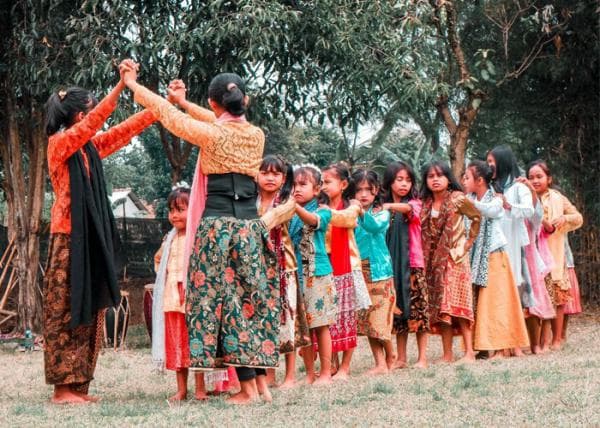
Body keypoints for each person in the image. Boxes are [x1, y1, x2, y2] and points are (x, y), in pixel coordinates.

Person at [122, 65, 279, 404]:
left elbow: (168, 116)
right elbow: (216, 120)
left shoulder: (212, 135)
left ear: (213, 101)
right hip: (250, 229)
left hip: (217, 230)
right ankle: (259, 385)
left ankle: (249, 390)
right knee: (250, 301)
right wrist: (185, 101)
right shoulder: (256, 135)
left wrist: (133, 84)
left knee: (218, 305)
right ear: (245, 100)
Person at [43, 59, 155, 404]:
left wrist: (158, 108)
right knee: (65, 312)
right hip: (67, 240)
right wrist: (122, 86)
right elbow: (97, 123)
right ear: (79, 116)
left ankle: (78, 386)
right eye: (89, 113)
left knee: (91, 310)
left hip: (88, 239)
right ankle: (63, 389)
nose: (91, 119)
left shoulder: (87, 147)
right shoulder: (60, 144)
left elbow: (120, 133)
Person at [463, 161, 529, 357]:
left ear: (480, 180)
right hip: (476, 258)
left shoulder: (497, 199)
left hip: (495, 255)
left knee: (498, 302)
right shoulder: (470, 198)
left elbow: (488, 211)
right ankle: (482, 347)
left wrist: (467, 203)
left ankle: (501, 348)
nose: (464, 181)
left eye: (467, 177)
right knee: (481, 303)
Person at [256, 155, 311, 390]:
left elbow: (271, 222)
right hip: (258, 269)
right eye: (265, 172)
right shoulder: (251, 201)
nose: (270, 177)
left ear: (283, 178)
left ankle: (290, 375)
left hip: (284, 268)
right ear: (255, 175)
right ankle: (269, 373)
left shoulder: (287, 201)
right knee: (263, 322)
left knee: (287, 320)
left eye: (276, 174)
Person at [420, 161, 481, 363]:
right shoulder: (425, 203)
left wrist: (466, 244)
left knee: (459, 305)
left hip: (455, 260)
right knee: (442, 308)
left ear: (448, 178)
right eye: (431, 176)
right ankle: (447, 354)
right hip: (433, 263)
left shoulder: (457, 199)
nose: (435, 180)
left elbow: (476, 217)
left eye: (440, 175)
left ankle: (469, 352)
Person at [153, 186, 207, 401]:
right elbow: (159, 261)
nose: (175, 215)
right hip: (171, 300)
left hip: (193, 300)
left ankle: (201, 388)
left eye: (181, 209)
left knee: (196, 343)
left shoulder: (197, 237)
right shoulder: (170, 239)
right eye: (171, 210)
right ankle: (182, 389)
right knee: (177, 345)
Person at [527, 160, 583, 350]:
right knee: (537, 297)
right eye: (531, 177)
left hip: (556, 254)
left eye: (539, 176)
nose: (535, 180)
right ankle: (537, 341)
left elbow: (578, 218)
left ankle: (557, 339)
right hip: (532, 254)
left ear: (549, 179)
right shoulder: (525, 198)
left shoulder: (558, 198)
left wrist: (564, 218)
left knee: (558, 299)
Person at [291, 165, 338, 385]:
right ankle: (310, 374)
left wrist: (291, 207)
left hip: (317, 273)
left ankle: (326, 372)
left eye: (302, 184)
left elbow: (312, 221)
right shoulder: (290, 213)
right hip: (297, 274)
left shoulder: (323, 211)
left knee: (321, 325)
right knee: (305, 329)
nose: (297, 189)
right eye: (294, 185)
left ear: (317, 189)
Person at [487, 145, 535, 357]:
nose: (489, 166)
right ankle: (500, 344)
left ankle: (515, 344)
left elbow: (530, 210)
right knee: (498, 294)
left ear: (503, 162)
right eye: (487, 162)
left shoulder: (518, 186)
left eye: (492, 162)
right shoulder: (488, 187)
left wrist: (508, 205)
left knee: (514, 293)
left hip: (513, 244)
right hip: (492, 246)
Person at [382, 161, 430, 369]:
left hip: (413, 264)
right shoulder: (383, 207)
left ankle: (422, 358)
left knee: (419, 311)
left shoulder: (415, 203)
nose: (404, 184)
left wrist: (388, 207)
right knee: (398, 311)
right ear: (390, 181)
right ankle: (401, 358)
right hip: (390, 265)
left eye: (408, 180)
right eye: (399, 179)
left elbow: (409, 209)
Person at [321, 163, 363, 379]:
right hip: (326, 266)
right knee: (329, 318)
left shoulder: (352, 207)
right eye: (321, 182)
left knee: (347, 316)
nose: (323, 186)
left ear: (344, 184)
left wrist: (326, 214)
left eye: (328, 182)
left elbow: (346, 219)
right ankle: (333, 365)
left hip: (347, 265)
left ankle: (345, 366)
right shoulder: (320, 206)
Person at [353, 169, 396, 375]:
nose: (363, 195)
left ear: (376, 190)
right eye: (359, 190)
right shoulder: (350, 213)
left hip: (380, 271)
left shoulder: (382, 213)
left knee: (380, 318)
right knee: (368, 320)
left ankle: (391, 355)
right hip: (360, 269)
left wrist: (360, 213)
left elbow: (374, 227)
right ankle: (380, 362)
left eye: (368, 190)